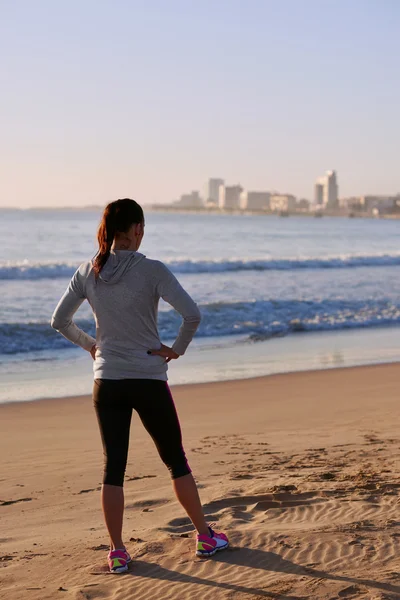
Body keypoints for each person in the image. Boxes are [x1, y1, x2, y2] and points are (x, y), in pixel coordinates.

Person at [51, 198, 228, 573]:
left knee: (112, 467)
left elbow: (59, 321)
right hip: (148, 379)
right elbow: (192, 314)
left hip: (107, 381)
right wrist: (174, 350)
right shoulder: (152, 270)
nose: (142, 232)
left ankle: (117, 551)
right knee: (175, 461)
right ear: (133, 230)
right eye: (141, 226)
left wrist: (92, 346)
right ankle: (206, 536)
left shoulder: (88, 271)